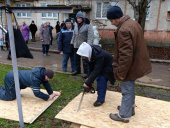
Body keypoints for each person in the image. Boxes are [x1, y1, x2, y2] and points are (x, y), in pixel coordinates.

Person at [106, 6, 152, 123]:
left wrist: (121, 72)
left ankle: (124, 115)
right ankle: (129, 108)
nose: (111, 23)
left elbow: (125, 55)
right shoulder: (133, 23)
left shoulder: (123, 30)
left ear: (117, 18)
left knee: (126, 89)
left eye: (111, 20)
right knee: (130, 86)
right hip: (136, 63)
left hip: (129, 66)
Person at [77, 42, 115, 106]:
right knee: (96, 78)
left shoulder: (99, 55)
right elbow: (90, 68)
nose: (83, 57)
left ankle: (100, 100)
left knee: (101, 79)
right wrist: (88, 78)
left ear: (87, 52)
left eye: (84, 56)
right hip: (100, 65)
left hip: (108, 66)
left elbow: (96, 71)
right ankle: (100, 91)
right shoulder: (88, 54)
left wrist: (87, 83)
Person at [71, 11, 94, 78]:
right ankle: (77, 70)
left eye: (79, 18)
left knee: (85, 60)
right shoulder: (75, 24)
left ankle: (86, 72)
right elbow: (74, 34)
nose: (78, 19)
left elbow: (90, 36)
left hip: (84, 45)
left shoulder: (88, 25)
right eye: (77, 18)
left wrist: (88, 46)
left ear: (82, 18)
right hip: (76, 44)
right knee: (76, 59)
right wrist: (72, 42)